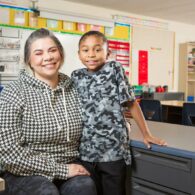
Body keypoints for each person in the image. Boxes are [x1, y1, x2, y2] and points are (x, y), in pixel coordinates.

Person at [0, 28, 97, 195]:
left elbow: (97, 113)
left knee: (85, 187)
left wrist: (120, 122)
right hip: (24, 171)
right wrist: (62, 170)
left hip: (70, 164)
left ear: (61, 54)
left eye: (52, 50)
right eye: (38, 53)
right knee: (46, 192)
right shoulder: (13, 92)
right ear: (28, 60)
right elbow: (9, 153)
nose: (48, 57)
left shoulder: (75, 88)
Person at [71, 30, 167, 195]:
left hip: (113, 152)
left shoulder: (114, 69)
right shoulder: (76, 76)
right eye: (85, 50)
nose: (91, 54)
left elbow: (131, 103)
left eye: (97, 49)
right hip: (86, 153)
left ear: (108, 53)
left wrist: (146, 133)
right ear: (79, 54)